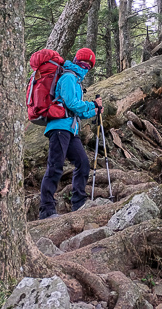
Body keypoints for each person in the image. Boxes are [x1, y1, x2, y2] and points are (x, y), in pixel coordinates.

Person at [39, 47, 103, 219]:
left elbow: (79, 112)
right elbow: (72, 103)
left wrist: (94, 110)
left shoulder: (76, 81)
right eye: (82, 62)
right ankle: (46, 210)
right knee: (55, 167)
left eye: (88, 65)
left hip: (71, 129)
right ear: (75, 61)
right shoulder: (68, 77)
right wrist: (91, 104)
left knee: (83, 162)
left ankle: (79, 203)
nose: (85, 66)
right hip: (59, 128)